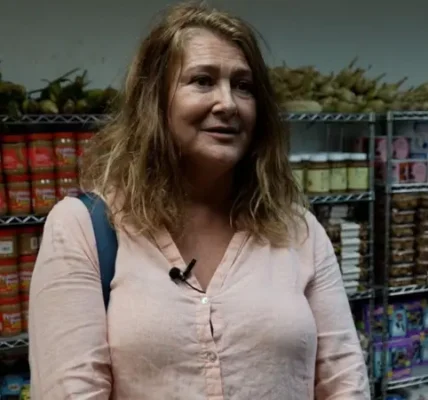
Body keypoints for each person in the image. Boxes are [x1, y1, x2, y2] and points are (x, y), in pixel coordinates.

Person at [29, 2, 370, 399]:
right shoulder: (83, 230)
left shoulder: (299, 232)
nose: (228, 103)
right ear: (155, 101)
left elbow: (345, 384)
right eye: (203, 81)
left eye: (243, 86)